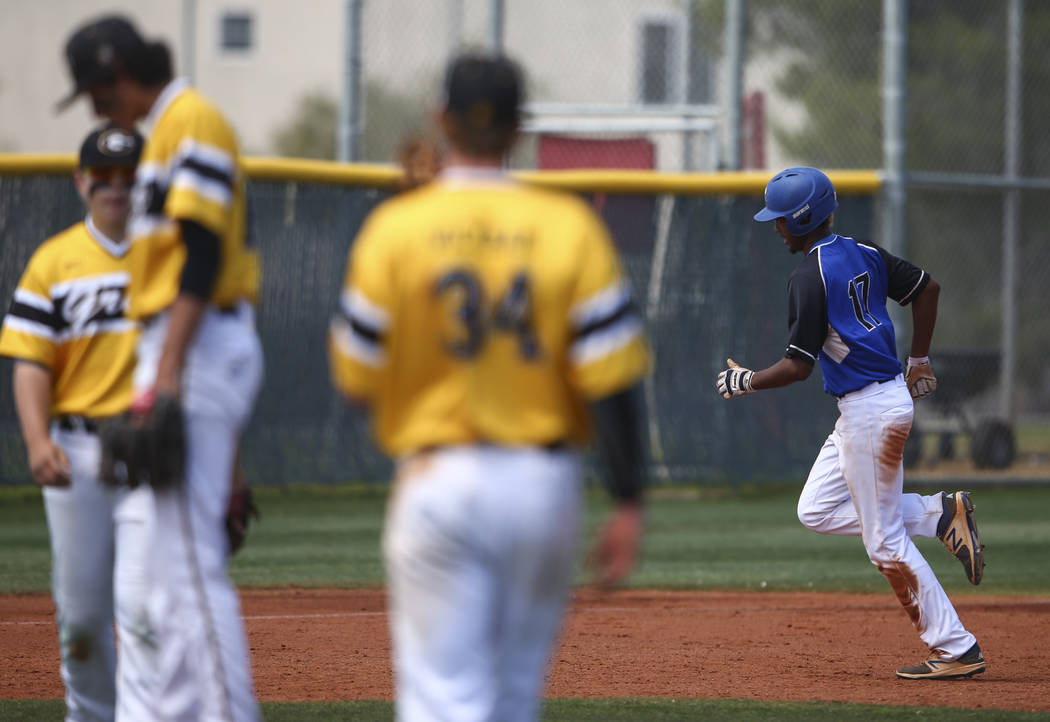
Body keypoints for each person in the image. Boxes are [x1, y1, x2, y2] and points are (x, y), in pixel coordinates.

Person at [329, 53, 649, 721]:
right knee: (510, 699)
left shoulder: (397, 228)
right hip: (542, 489)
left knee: (444, 700)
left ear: (441, 119)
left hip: (438, 480)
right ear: (519, 128)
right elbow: (612, 377)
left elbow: (355, 376)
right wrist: (628, 499)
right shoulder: (569, 227)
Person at [58, 15, 264, 720]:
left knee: (186, 572)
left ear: (119, 74)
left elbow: (201, 254)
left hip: (194, 344)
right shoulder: (166, 132)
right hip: (177, 345)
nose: (94, 107)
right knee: (146, 579)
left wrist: (168, 371)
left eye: (94, 90)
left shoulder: (191, 121)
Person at [716, 166, 986, 680]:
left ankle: (956, 648)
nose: (775, 227)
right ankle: (938, 515)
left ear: (802, 218)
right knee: (816, 509)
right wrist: (920, 358)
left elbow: (798, 366)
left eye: (780, 219)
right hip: (870, 407)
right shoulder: (863, 251)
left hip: (871, 413)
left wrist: (747, 380)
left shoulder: (807, 277)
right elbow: (927, 289)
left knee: (883, 542)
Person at [0, 125, 151, 720]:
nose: (115, 188)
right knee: (83, 612)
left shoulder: (169, 256)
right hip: (79, 449)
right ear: (80, 181)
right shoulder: (54, 261)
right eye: (102, 177)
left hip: (152, 451)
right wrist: (37, 440)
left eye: (128, 177)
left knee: (149, 608)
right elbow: (31, 363)